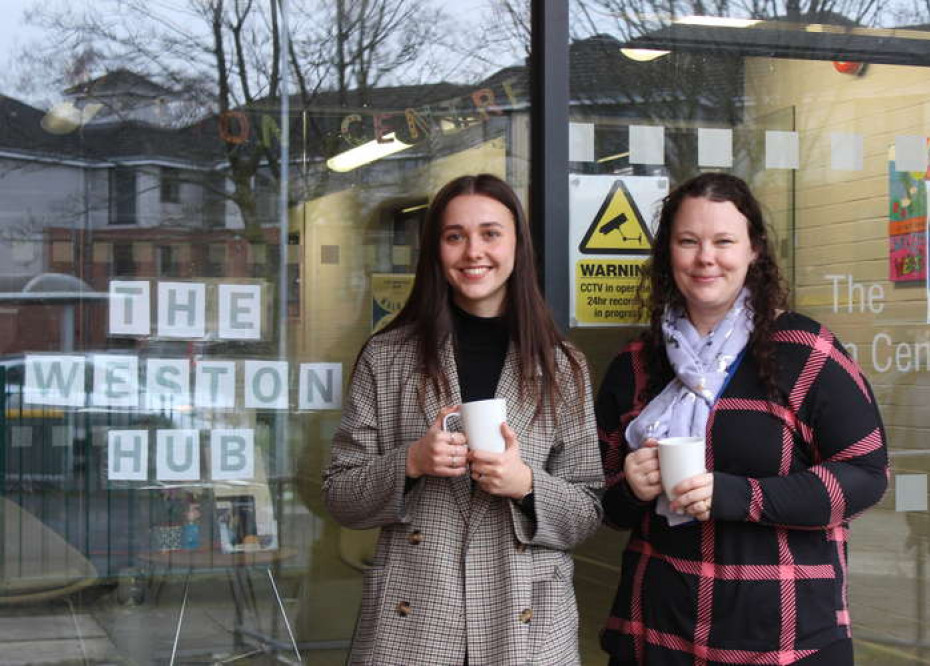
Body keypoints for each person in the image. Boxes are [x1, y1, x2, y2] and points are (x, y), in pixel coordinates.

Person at [597, 173, 889, 665]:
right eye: (688, 241)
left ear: (754, 250)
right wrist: (629, 488)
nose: (705, 257)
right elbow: (601, 505)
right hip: (657, 634)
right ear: (669, 252)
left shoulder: (806, 352)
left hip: (787, 639)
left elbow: (866, 476)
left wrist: (740, 495)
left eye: (723, 241)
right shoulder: (635, 364)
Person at [323, 173, 604, 666]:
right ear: (437, 250)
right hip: (414, 620)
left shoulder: (563, 366)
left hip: (528, 621)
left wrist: (526, 484)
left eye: (491, 233)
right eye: (455, 236)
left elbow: (587, 511)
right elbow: (341, 497)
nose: (474, 251)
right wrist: (410, 461)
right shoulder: (386, 358)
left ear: (518, 244)